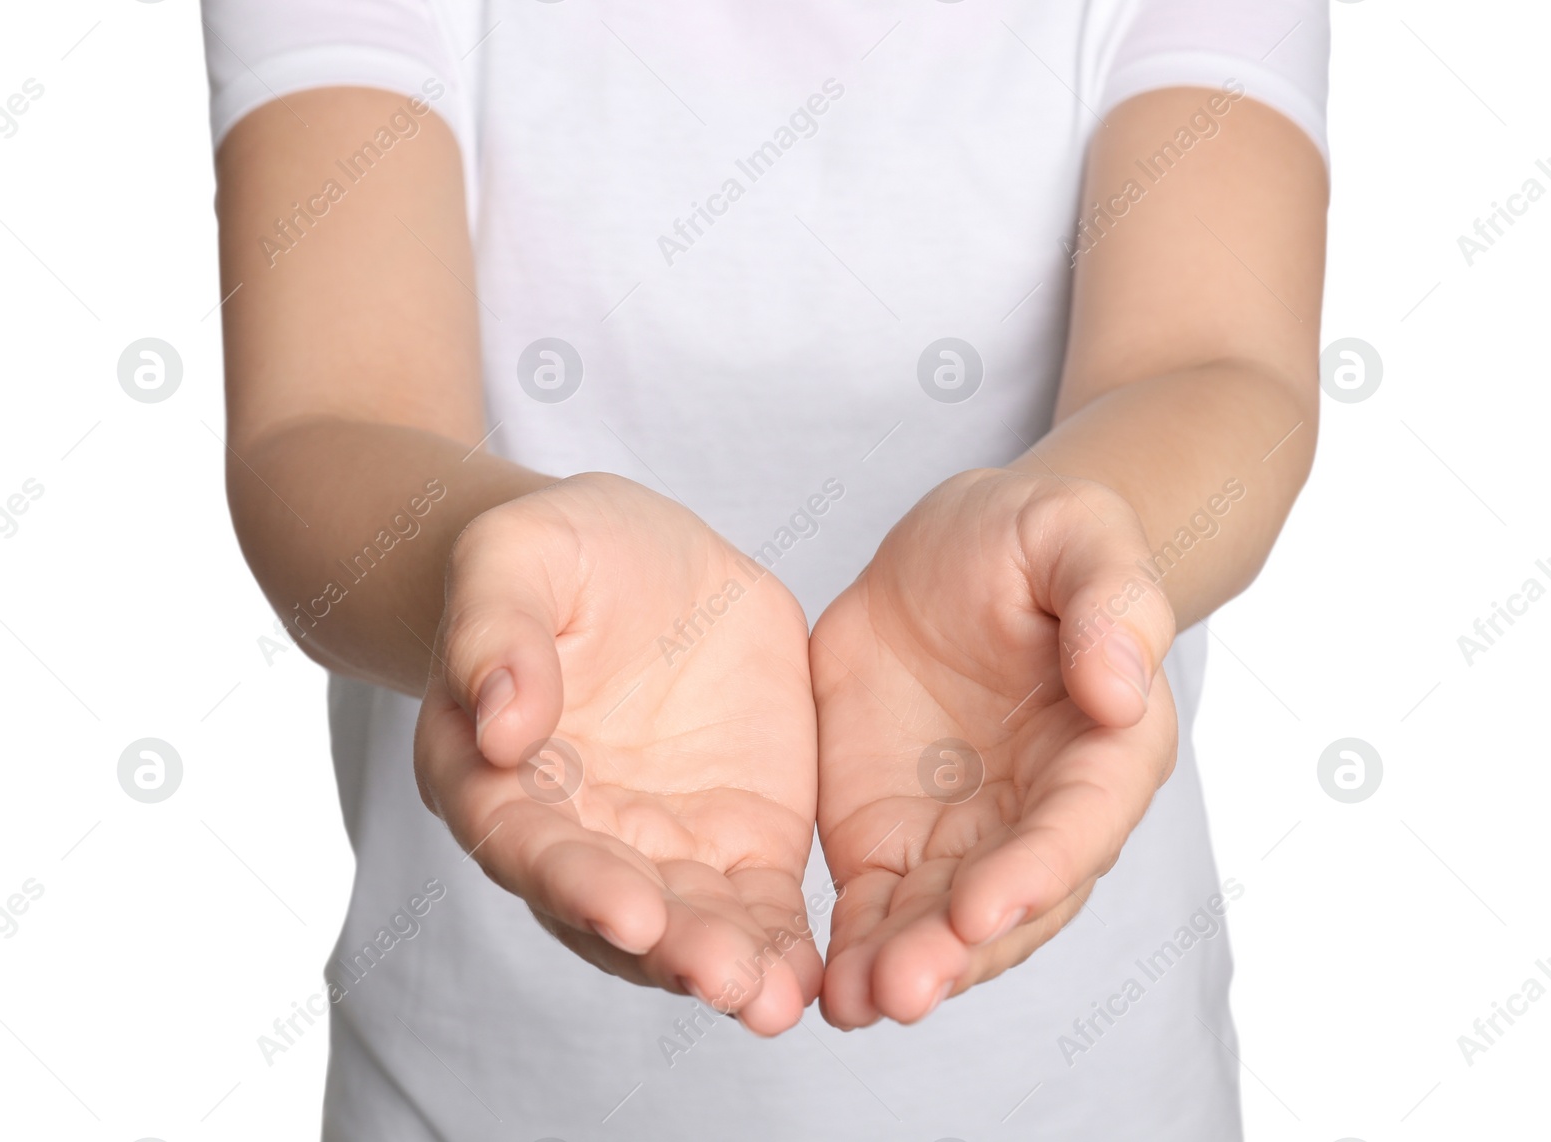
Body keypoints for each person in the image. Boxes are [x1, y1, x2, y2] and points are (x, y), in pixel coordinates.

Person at [202, 0, 1328, 1137]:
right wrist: (498, 577)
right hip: (477, 1090)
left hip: (1087, 1091)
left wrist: (1075, 543)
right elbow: (321, 422)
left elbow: (1218, 365)